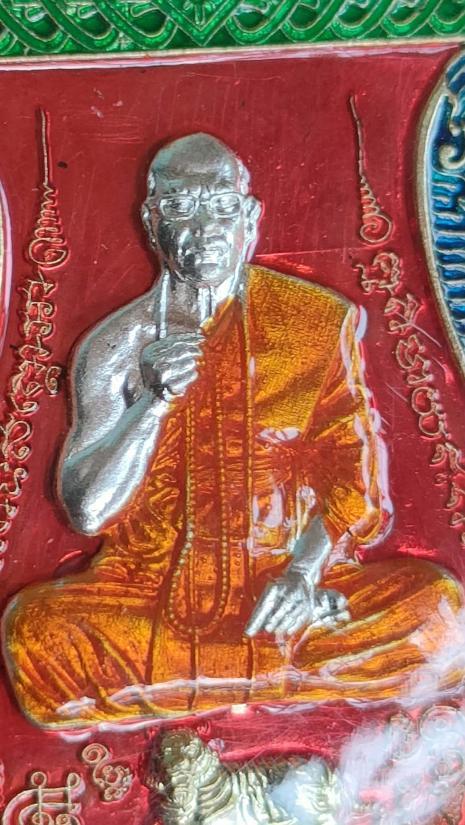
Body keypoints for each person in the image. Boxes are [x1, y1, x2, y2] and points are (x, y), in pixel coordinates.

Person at [2, 134, 463, 729]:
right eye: (180, 209)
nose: (204, 230)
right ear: (151, 223)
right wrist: (152, 404)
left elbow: (357, 481)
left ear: (249, 218)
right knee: (37, 636)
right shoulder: (115, 347)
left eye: (221, 208)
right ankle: (279, 679)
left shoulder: (314, 323)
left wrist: (304, 573)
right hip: (152, 593)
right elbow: (88, 512)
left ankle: (206, 682)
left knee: (439, 614)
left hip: (285, 584)